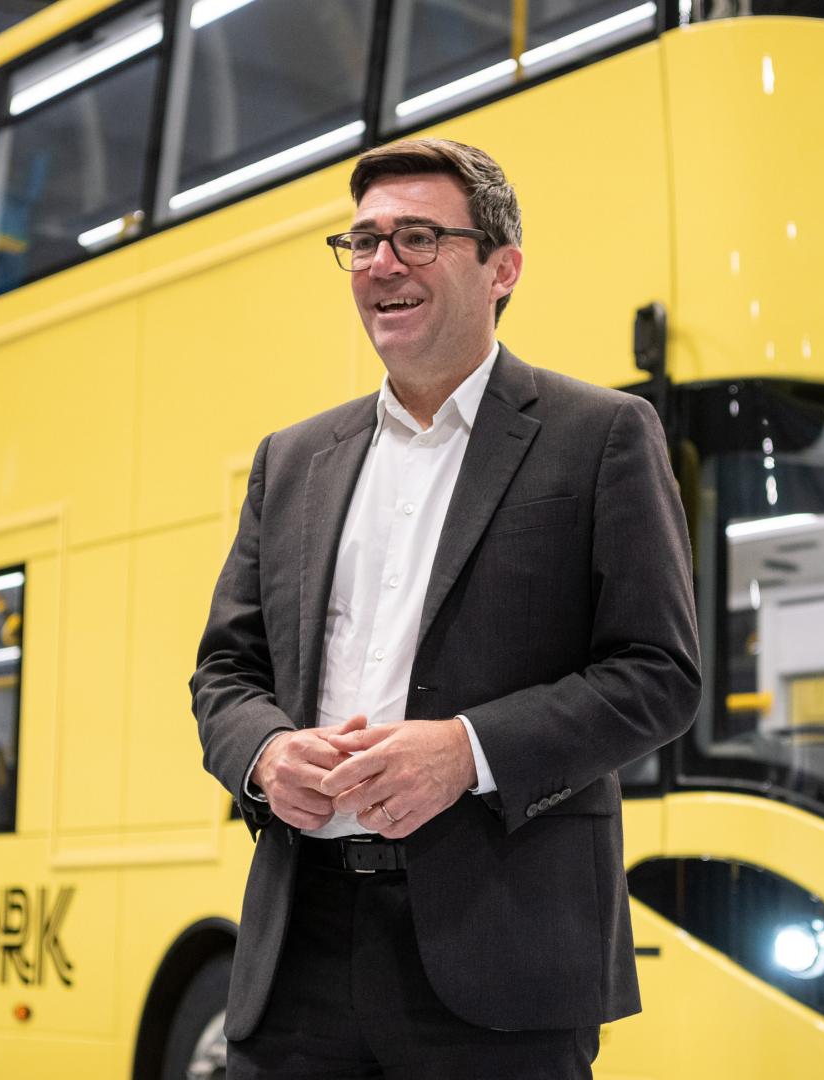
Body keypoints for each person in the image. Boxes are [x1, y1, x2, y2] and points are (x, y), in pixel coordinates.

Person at [191, 137, 700, 1079]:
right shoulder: (293, 460)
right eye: (364, 241)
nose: (382, 263)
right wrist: (264, 756)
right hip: (297, 953)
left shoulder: (601, 437)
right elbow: (226, 671)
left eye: (418, 237)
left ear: (502, 268)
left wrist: (466, 753)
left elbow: (659, 676)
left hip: (502, 963)